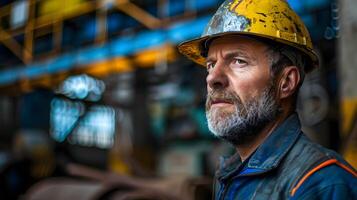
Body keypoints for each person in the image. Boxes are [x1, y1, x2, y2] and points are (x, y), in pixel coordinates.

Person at [178, 0, 357, 199]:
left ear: (286, 82)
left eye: (238, 61)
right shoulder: (232, 173)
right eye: (211, 65)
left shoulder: (321, 184)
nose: (212, 78)